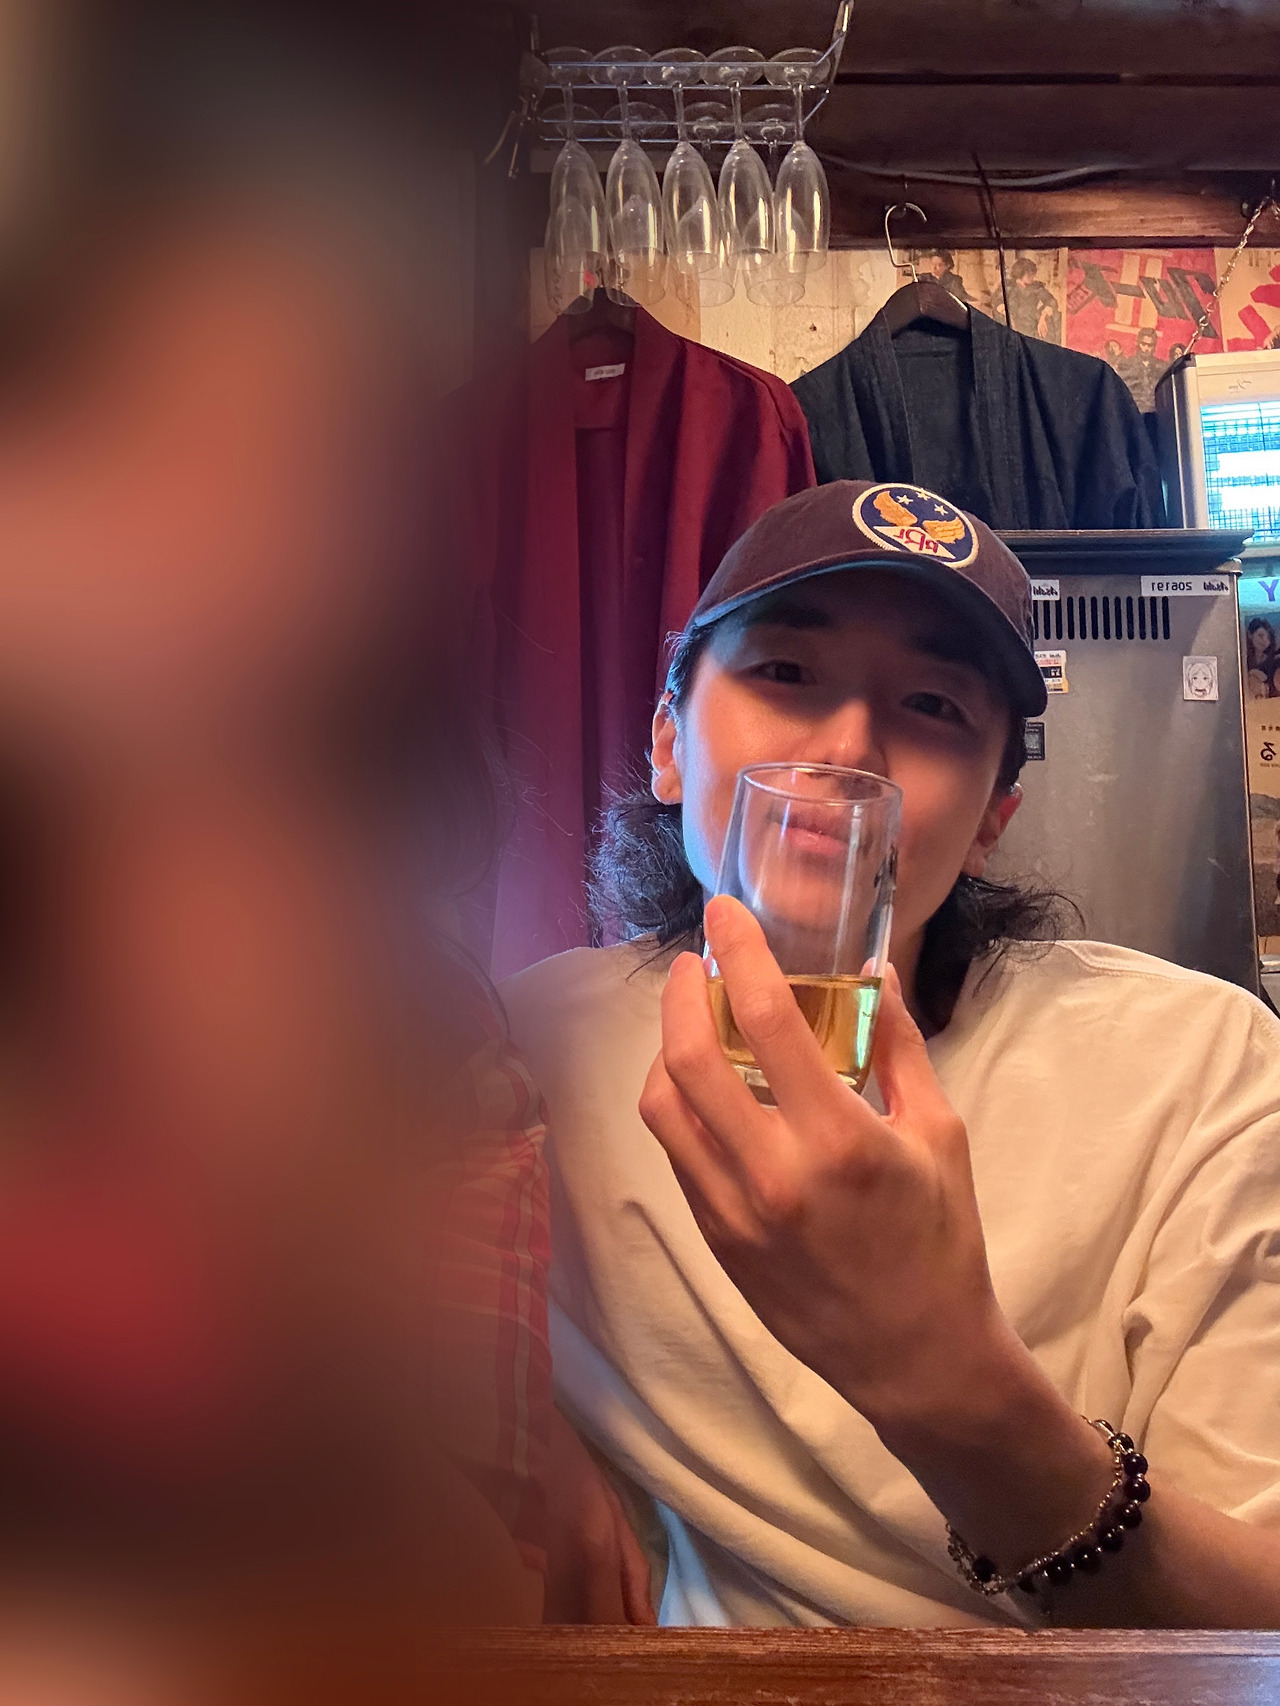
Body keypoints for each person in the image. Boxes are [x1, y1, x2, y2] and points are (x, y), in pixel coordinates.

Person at [505, 479, 1280, 1629]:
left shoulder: (1196, 1068)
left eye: (930, 704)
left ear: (990, 819)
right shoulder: (527, 1055)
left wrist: (946, 1379)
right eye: (784, 671)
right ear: (668, 741)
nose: (846, 748)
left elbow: (1255, 1623)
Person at [1007, 256, 1061, 344]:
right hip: (1012, 325)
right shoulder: (1009, 287)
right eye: (1029, 275)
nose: (1032, 277)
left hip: (1031, 326)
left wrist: (1043, 317)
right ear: (1020, 274)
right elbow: (997, 302)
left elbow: (1051, 301)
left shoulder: (1036, 288)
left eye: (1033, 274)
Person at [1117, 327, 1164, 412]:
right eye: (1143, 344)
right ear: (1137, 343)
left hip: (1155, 412)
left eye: (1150, 345)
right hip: (1132, 411)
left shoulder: (1161, 367)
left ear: (1154, 346)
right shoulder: (1125, 365)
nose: (1146, 348)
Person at [1247, 617, 1277, 699]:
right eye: (1260, 635)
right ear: (1250, 635)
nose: (1265, 641)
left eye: (1268, 637)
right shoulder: (1244, 659)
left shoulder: (1271, 662)